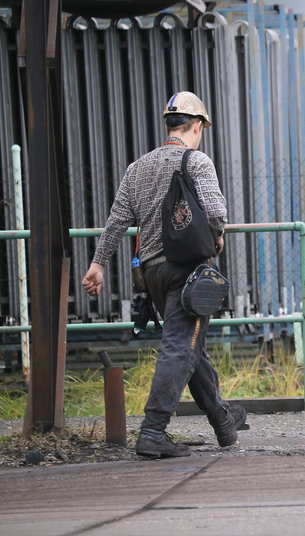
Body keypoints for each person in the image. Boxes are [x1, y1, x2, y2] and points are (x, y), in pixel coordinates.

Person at [82, 91, 247, 458]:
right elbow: (217, 213)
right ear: (197, 126)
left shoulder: (137, 168)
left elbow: (116, 222)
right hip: (188, 272)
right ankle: (153, 431)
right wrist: (218, 236)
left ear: (168, 124)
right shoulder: (197, 161)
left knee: (190, 347)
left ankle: (223, 422)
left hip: (152, 272)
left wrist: (97, 264)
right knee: (179, 347)